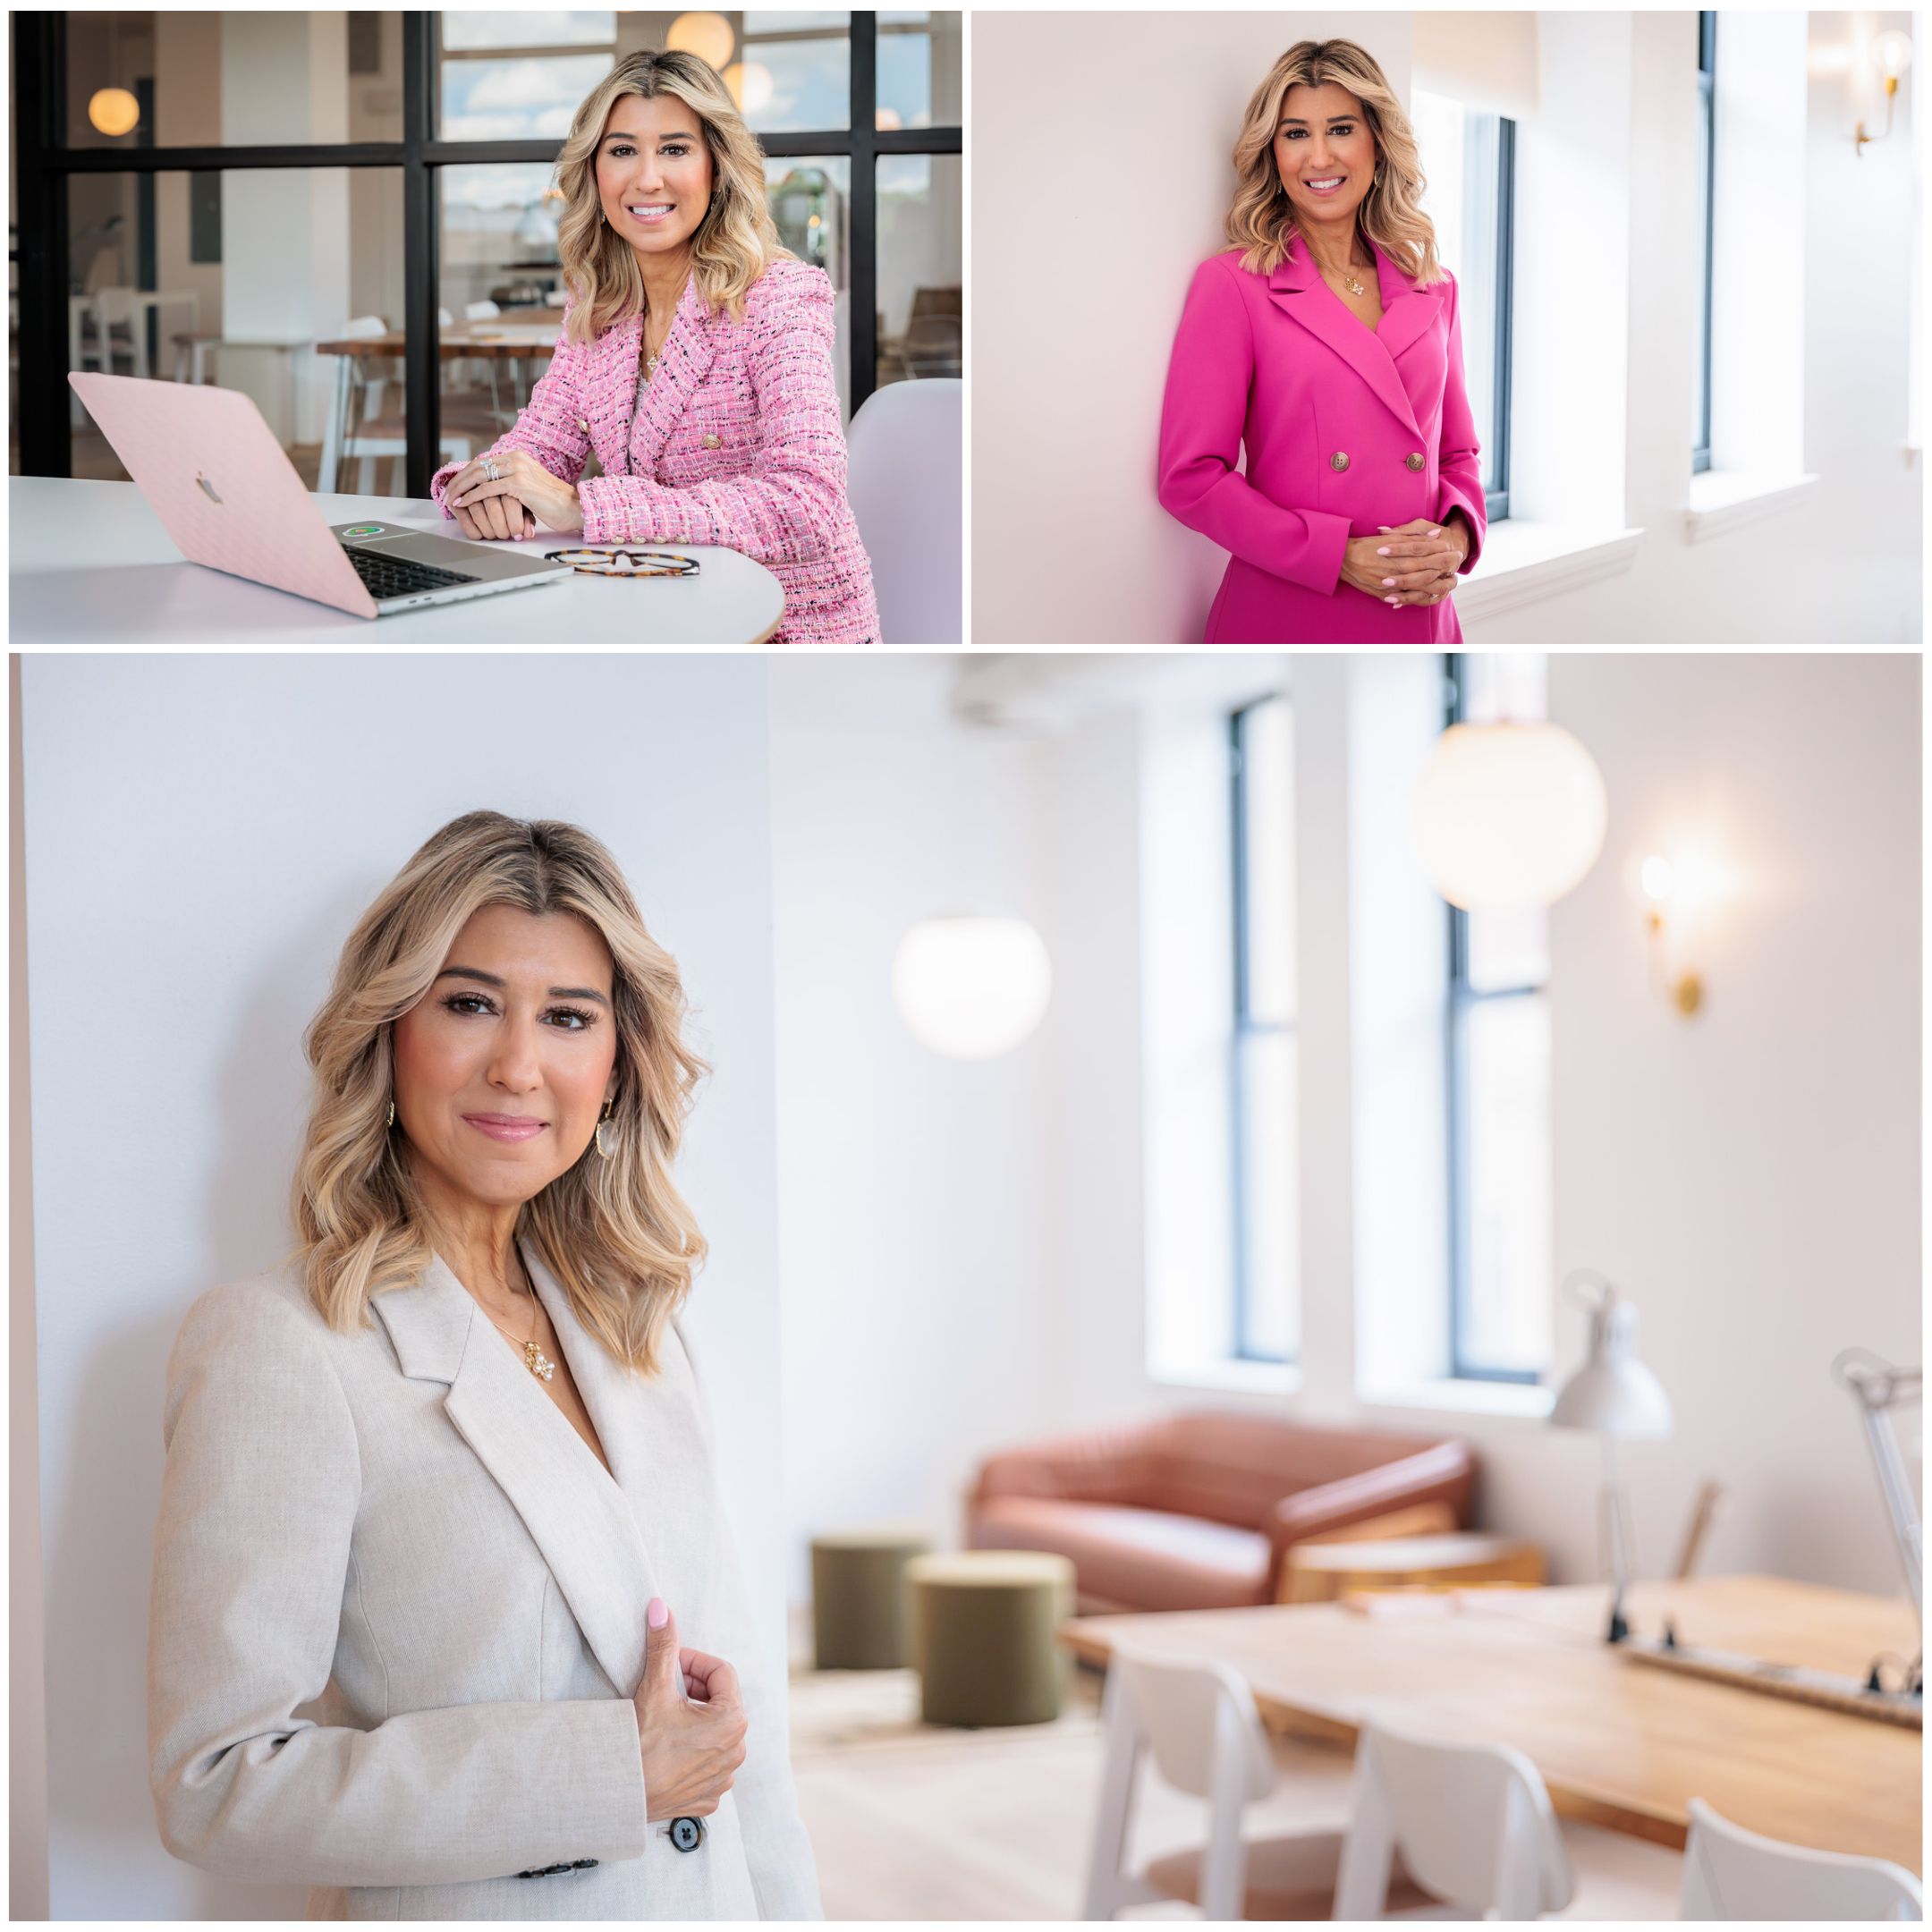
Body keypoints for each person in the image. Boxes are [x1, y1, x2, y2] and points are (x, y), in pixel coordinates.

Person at [147, 811, 820, 1919]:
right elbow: (213, 1783)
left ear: (613, 1067)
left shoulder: (641, 1330)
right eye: (470, 1005)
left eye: (567, 1017)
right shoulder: (281, 1348)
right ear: (391, 1031)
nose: (518, 1066)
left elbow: (752, 1735)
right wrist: (607, 1773)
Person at [435, 49, 878, 647]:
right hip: (657, 615)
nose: (647, 178)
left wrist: (583, 507)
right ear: (595, 171)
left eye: (674, 149)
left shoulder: (780, 295)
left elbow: (808, 504)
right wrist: (480, 486)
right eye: (622, 150)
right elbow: (539, 446)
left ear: (714, 168)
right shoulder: (599, 306)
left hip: (784, 639)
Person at [1157, 38, 1486, 643]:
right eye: (1295, 134)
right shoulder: (1234, 285)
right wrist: (1335, 556)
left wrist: (1456, 539)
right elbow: (1191, 476)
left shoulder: (1434, 288)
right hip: (1291, 606)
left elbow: (1457, 455)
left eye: (1340, 128)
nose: (1319, 156)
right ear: (1272, 152)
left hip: (1417, 610)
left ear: (1377, 142)